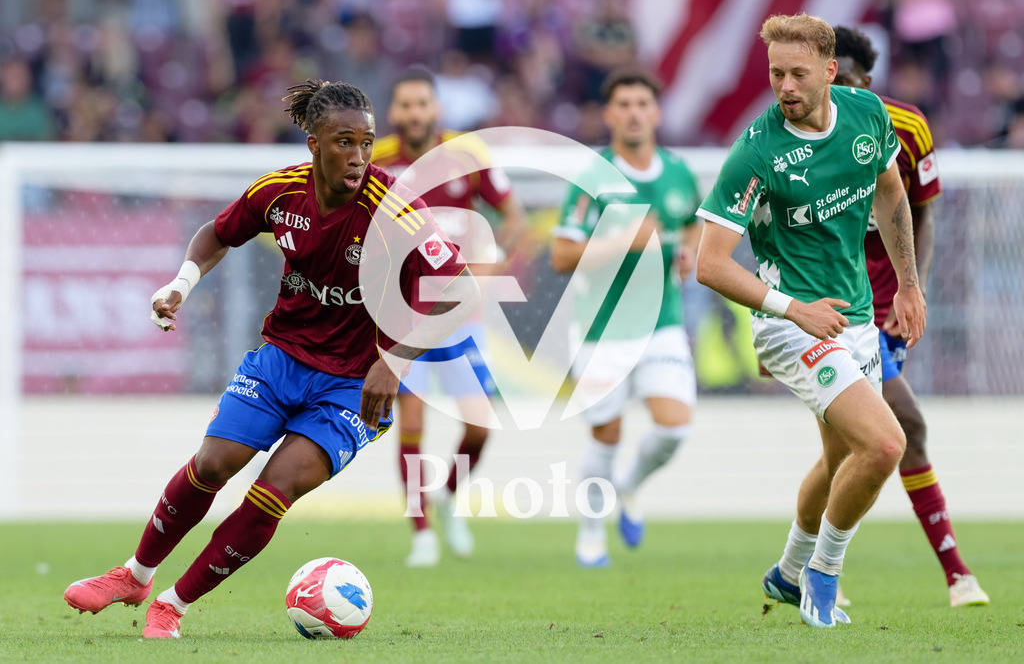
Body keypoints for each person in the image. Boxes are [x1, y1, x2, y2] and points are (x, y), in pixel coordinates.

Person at [63, 79, 477, 638]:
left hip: (355, 382)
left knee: (274, 488)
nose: (358, 157)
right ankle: (135, 575)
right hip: (280, 358)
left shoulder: (396, 210)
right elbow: (217, 233)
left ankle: (173, 605)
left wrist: (397, 360)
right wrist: (180, 285)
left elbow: (461, 292)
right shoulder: (280, 193)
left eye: (366, 142)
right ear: (314, 144)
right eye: (344, 142)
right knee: (212, 465)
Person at [694, 13, 927, 628]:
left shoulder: (866, 116)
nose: (785, 87)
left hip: (853, 319)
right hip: (791, 322)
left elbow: (891, 193)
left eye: (798, 73)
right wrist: (792, 309)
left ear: (830, 71)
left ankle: (788, 573)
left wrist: (907, 284)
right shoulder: (756, 150)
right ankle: (825, 573)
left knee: (839, 462)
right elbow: (710, 265)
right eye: (775, 74)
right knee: (884, 444)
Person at [832, 24, 989, 608]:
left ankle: (809, 569)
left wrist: (910, 289)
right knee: (894, 431)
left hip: (882, 305)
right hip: (828, 306)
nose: (837, 95)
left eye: (845, 82)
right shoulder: (794, 134)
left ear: (863, 81)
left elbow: (919, 212)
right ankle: (954, 574)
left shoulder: (907, 126)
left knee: (866, 442)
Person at [371, 65, 526, 567]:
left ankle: (448, 497)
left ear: (436, 108)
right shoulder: (376, 162)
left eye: (422, 103)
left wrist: (490, 270)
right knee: (410, 420)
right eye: (405, 105)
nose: (414, 113)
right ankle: (421, 534)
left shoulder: (467, 154)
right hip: (404, 314)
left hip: (462, 314)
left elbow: (516, 218)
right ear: (393, 113)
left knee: (479, 427)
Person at [551, 66, 702, 568]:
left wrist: (688, 256)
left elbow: (694, 225)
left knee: (675, 428)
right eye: (625, 105)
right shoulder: (593, 176)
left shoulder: (679, 173)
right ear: (610, 114)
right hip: (602, 329)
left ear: (656, 113)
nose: (635, 113)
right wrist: (624, 241)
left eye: (643, 104)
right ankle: (590, 535)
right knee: (607, 435)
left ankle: (628, 488)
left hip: (663, 320)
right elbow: (561, 256)